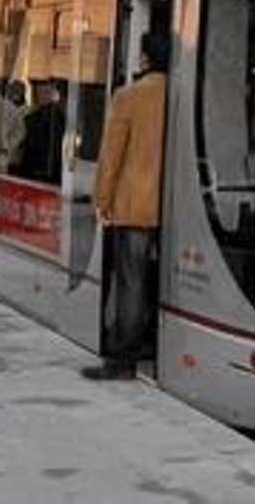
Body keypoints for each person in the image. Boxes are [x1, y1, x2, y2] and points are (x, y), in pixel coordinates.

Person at [82, 30, 170, 382]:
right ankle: (155, 343)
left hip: (135, 206)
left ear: (144, 58)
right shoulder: (181, 94)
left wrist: (102, 200)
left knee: (131, 282)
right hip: (175, 208)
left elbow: (111, 156)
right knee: (158, 280)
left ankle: (122, 361)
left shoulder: (129, 96)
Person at [17, 80, 65, 183]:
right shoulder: (30, 118)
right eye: (40, 92)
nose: (41, 95)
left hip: (41, 171)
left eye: (45, 92)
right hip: (41, 172)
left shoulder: (60, 119)